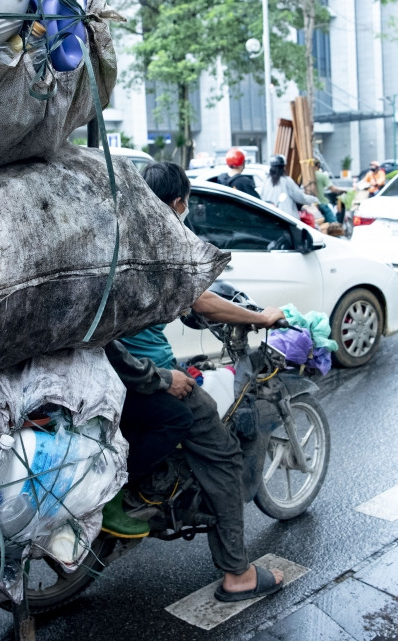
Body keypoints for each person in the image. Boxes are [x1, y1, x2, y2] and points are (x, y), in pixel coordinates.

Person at [103, 161, 287, 602]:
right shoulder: (160, 244)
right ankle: (238, 574)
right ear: (178, 203)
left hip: (113, 378)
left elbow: (178, 303)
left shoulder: (119, 237)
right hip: (146, 377)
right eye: (184, 204)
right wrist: (259, 317)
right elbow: (202, 301)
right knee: (224, 455)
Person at [259, 154, 318, 220]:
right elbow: (300, 197)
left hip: (269, 217)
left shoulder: (266, 181)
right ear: (283, 167)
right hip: (286, 219)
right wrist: (314, 199)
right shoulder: (286, 181)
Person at [311, 159, 343, 225]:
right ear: (318, 165)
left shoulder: (307, 176)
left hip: (310, 204)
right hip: (321, 203)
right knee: (334, 224)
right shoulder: (321, 175)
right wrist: (342, 190)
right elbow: (332, 189)